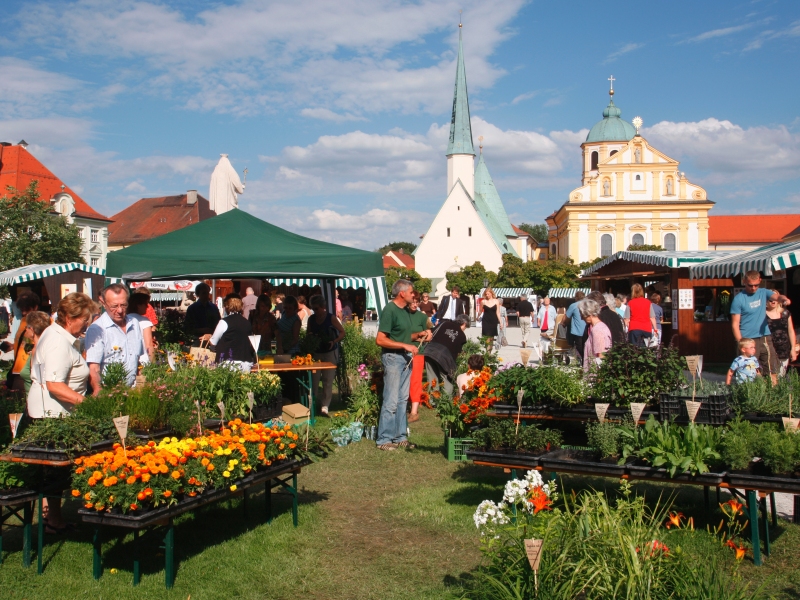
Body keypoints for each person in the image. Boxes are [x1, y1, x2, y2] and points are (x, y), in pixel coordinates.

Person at [28, 293, 94, 533]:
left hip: (53, 413)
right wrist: (88, 405)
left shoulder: (57, 335)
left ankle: (53, 520)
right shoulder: (58, 341)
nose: (86, 324)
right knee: (56, 472)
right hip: (52, 415)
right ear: (69, 318)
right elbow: (55, 385)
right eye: (84, 319)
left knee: (56, 473)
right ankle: (53, 521)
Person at [375, 279, 423, 451]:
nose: (413, 295)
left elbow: (403, 335)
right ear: (402, 293)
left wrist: (418, 336)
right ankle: (384, 439)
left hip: (405, 358)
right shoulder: (390, 310)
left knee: (403, 400)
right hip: (393, 358)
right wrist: (404, 346)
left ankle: (400, 436)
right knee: (391, 400)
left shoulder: (406, 311)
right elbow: (380, 339)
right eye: (411, 292)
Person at [85, 284, 147, 393]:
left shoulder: (134, 323)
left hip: (131, 391)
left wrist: (143, 388)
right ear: (104, 304)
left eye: (123, 305)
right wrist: (100, 393)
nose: (120, 310)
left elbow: (137, 361)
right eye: (114, 306)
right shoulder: (97, 329)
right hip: (109, 392)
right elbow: (93, 368)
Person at [730, 270, 788, 384]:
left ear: (760, 281)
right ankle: (751, 393)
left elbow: (777, 297)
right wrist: (741, 342)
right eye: (750, 285)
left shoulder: (763, 292)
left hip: (764, 336)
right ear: (744, 281)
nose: (753, 288)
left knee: (772, 368)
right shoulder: (739, 299)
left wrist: (784, 299)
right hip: (747, 338)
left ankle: (773, 392)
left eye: (756, 285)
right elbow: (735, 324)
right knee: (749, 371)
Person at [307, 295, 346, 417]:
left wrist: (334, 341)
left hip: (330, 352)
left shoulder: (331, 318)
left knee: (328, 380)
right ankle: (312, 404)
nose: (315, 311)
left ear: (323, 307)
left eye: (317, 308)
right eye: (313, 308)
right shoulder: (311, 319)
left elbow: (342, 332)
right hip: (316, 353)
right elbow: (308, 334)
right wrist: (311, 340)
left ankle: (325, 406)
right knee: (314, 380)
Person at [203, 295, 254, 372]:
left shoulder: (224, 322)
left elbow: (213, 342)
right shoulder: (247, 323)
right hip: (245, 362)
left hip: (228, 363)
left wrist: (209, 337)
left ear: (227, 307)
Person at [423, 314, 469, 396]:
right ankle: (446, 400)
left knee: (432, 379)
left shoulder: (444, 323)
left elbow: (432, 333)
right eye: (465, 327)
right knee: (447, 380)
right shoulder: (462, 336)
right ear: (464, 324)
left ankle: (433, 400)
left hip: (429, 351)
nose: (464, 330)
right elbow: (456, 353)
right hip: (444, 356)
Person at [408, 292, 433, 423]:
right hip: (402, 351)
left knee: (416, 380)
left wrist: (419, 337)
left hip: (418, 352)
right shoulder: (402, 315)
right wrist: (416, 336)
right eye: (413, 302)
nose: (415, 305)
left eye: (417, 302)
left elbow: (429, 336)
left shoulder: (422, 317)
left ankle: (414, 411)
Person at [9, 292, 40, 392]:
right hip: (19, 369)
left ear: (35, 307)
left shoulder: (43, 323)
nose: (23, 313)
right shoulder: (23, 321)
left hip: (31, 371)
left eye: (26, 309)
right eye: (22, 310)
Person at [19, 311, 51, 394]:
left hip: (37, 397)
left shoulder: (38, 350)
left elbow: (39, 380)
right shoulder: (39, 347)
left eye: (27, 327)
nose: (26, 329)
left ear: (32, 329)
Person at [765, 297, 797, 376]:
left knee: (781, 375)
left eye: (775, 299)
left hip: (784, 349)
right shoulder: (762, 314)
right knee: (770, 375)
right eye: (770, 300)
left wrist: (793, 349)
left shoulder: (785, 313)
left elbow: (791, 331)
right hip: (769, 349)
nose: (773, 301)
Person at [579, 299, 612, 372]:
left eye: (582, 315)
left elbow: (601, 355)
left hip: (595, 374)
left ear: (589, 314)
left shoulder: (597, 330)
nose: (581, 318)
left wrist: (600, 376)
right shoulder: (600, 326)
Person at [128, 293, 156, 363]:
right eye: (145, 304)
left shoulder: (124, 319)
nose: (147, 306)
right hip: (143, 360)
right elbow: (149, 345)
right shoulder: (145, 321)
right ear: (138, 305)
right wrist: (154, 363)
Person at [564, 291, 587, 361]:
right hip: (587, 330)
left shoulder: (573, 305)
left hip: (578, 331)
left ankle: (584, 360)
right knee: (586, 347)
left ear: (576, 298)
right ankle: (585, 360)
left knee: (579, 347)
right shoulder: (587, 305)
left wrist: (563, 323)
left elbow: (566, 317)